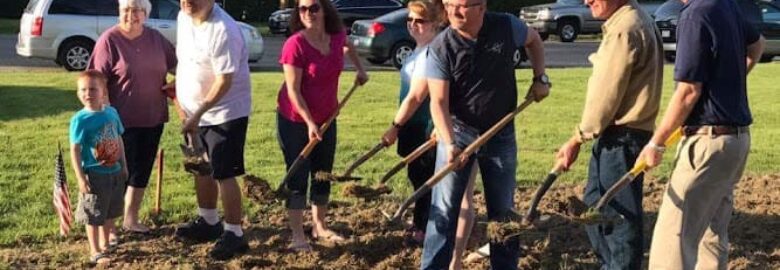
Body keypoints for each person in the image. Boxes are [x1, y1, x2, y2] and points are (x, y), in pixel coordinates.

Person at [422, 0, 550, 268]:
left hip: (501, 133)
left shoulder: (505, 26)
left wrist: (540, 78)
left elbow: (534, 40)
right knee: (444, 212)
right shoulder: (441, 47)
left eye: (462, 6)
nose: (453, 12)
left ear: (481, 7)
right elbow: (438, 103)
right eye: (449, 5)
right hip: (459, 132)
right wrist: (449, 144)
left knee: (503, 216)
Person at [641, 0, 765, 267]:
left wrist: (656, 142)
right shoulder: (725, 5)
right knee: (711, 236)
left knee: (672, 242)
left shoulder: (694, 15)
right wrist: (726, 82)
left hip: (708, 144)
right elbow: (757, 45)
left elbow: (688, 92)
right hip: (735, 142)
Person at [553, 0, 663, 268]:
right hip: (625, 136)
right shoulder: (636, 19)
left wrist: (577, 137)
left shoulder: (624, 30)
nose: (586, 1)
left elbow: (605, 95)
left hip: (621, 138)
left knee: (617, 216)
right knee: (595, 203)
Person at [378, 1, 477, 268]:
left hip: (429, 128)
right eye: (409, 20)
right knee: (417, 179)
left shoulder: (436, 52)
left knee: (431, 184)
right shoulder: (415, 52)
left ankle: (431, 232)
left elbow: (426, 97)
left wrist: (400, 126)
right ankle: (423, 224)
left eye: (419, 21)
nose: (412, 25)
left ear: (436, 23)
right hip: (412, 127)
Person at [276, 0, 368, 252]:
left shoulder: (336, 36)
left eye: (313, 7)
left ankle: (319, 226)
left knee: (323, 172)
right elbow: (293, 91)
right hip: (295, 120)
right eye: (302, 8)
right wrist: (308, 122)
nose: (307, 13)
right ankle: (297, 234)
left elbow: (348, 46)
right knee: (298, 175)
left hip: (328, 118)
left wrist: (360, 70)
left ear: (325, 9)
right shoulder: (295, 44)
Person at [87, 0, 176, 234]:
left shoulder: (156, 39)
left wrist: (184, 82)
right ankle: (109, 228)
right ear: (119, 13)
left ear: (145, 14)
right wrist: (101, 114)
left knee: (141, 171)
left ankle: (131, 219)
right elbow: (95, 80)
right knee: (115, 175)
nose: (131, 15)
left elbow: (179, 66)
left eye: (137, 10)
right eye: (126, 10)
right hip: (118, 122)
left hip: (153, 118)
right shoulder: (109, 40)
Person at [172, 0, 252, 260]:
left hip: (224, 113)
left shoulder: (223, 29)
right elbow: (186, 61)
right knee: (200, 166)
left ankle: (234, 233)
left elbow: (224, 80)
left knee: (223, 172)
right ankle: (208, 221)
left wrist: (199, 112)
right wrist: (182, 100)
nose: (187, 2)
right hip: (193, 113)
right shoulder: (183, 17)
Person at [70, 70, 128, 265]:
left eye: (93, 89)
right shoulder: (80, 120)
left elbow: (119, 138)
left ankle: (105, 243)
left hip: (114, 172)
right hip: (95, 174)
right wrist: (80, 178)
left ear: (104, 92)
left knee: (110, 212)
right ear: (78, 93)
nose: (88, 94)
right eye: (83, 90)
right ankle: (94, 250)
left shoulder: (112, 113)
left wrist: (123, 166)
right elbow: (75, 150)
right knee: (93, 214)